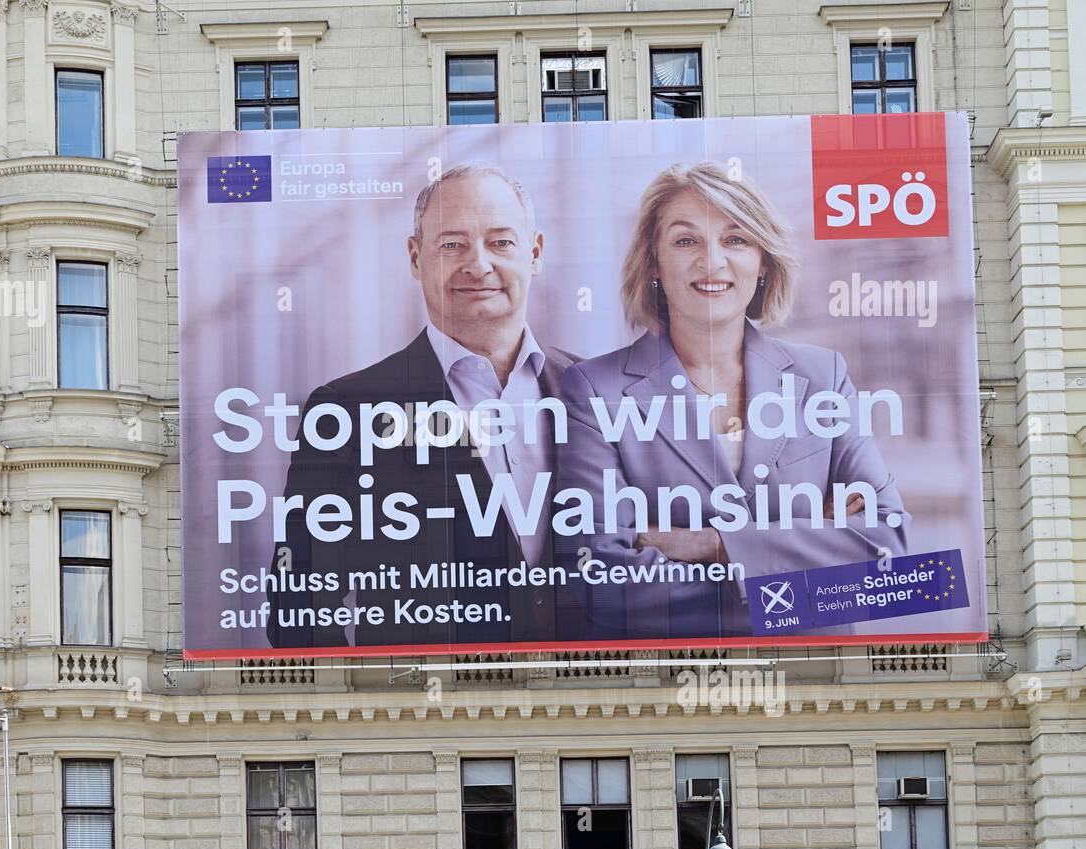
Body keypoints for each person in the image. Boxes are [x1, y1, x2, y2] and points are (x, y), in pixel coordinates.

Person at [559, 161, 910, 639]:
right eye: (686, 241)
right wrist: (808, 549)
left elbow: (890, 556)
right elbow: (606, 587)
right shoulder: (594, 388)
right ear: (654, 262)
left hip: (818, 687)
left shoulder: (822, 376)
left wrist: (717, 545)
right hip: (664, 694)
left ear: (763, 261)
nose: (712, 262)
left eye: (736, 239)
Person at [268, 162, 578, 650]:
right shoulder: (346, 410)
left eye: (501, 242)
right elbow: (297, 602)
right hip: (420, 717)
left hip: (595, 712)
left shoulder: (595, 394)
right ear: (416, 258)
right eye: (451, 244)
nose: (478, 265)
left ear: (534, 253)